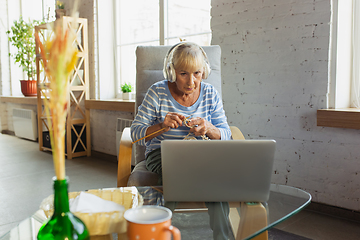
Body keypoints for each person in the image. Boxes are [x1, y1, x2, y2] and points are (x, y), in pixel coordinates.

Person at [131, 42, 233, 240]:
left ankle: (222, 237)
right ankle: (164, 233)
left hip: (201, 155)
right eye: (183, 73)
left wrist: (209, 128)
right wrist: (161, 126)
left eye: (197, 73)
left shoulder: (210, 93)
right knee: (182, 168)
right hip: (162, 153)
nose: (191, 82)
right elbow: (136, 133)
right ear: (171, 72)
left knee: (215, 177)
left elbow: (226, 134)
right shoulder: (157, 92)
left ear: (204, 71)